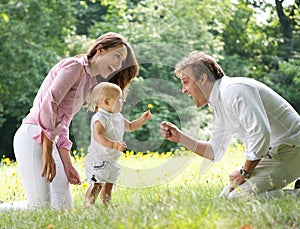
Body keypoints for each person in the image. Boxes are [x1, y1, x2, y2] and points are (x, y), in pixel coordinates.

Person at [2, 32, 139, 210]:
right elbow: (49, 103)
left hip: (51, 140)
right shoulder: (75, 66)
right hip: (33, 136)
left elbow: (64, 122)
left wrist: (67, 164)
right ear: (100, 50)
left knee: (63, 208)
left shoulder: (90, 81)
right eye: (117, 56)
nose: (119, 64)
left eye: (122, 61)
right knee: (39, 207)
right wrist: (47, 151)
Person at [160, 51, 300, 198]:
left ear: (202, 78)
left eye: (185, 82)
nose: (183, 90)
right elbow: (215, 150)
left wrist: (244, 172)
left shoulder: (233, 90)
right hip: (275, 153)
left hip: (292, 148)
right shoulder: (219, 102)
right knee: (225, 198)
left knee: (237, 198)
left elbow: (260, 132)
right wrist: (180, 138)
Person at [84, 82, 153, 206]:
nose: (122, 101)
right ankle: (89, 204)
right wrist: (114, 145)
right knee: (98, 183)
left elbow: (131, 126)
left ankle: (106, 204)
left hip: (112, 159)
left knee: (109, 183)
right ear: (107, 102)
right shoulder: (100, 118)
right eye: (119, 99)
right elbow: (98, 136)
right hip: (100, 158)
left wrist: (142, 119)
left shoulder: (118, 117)